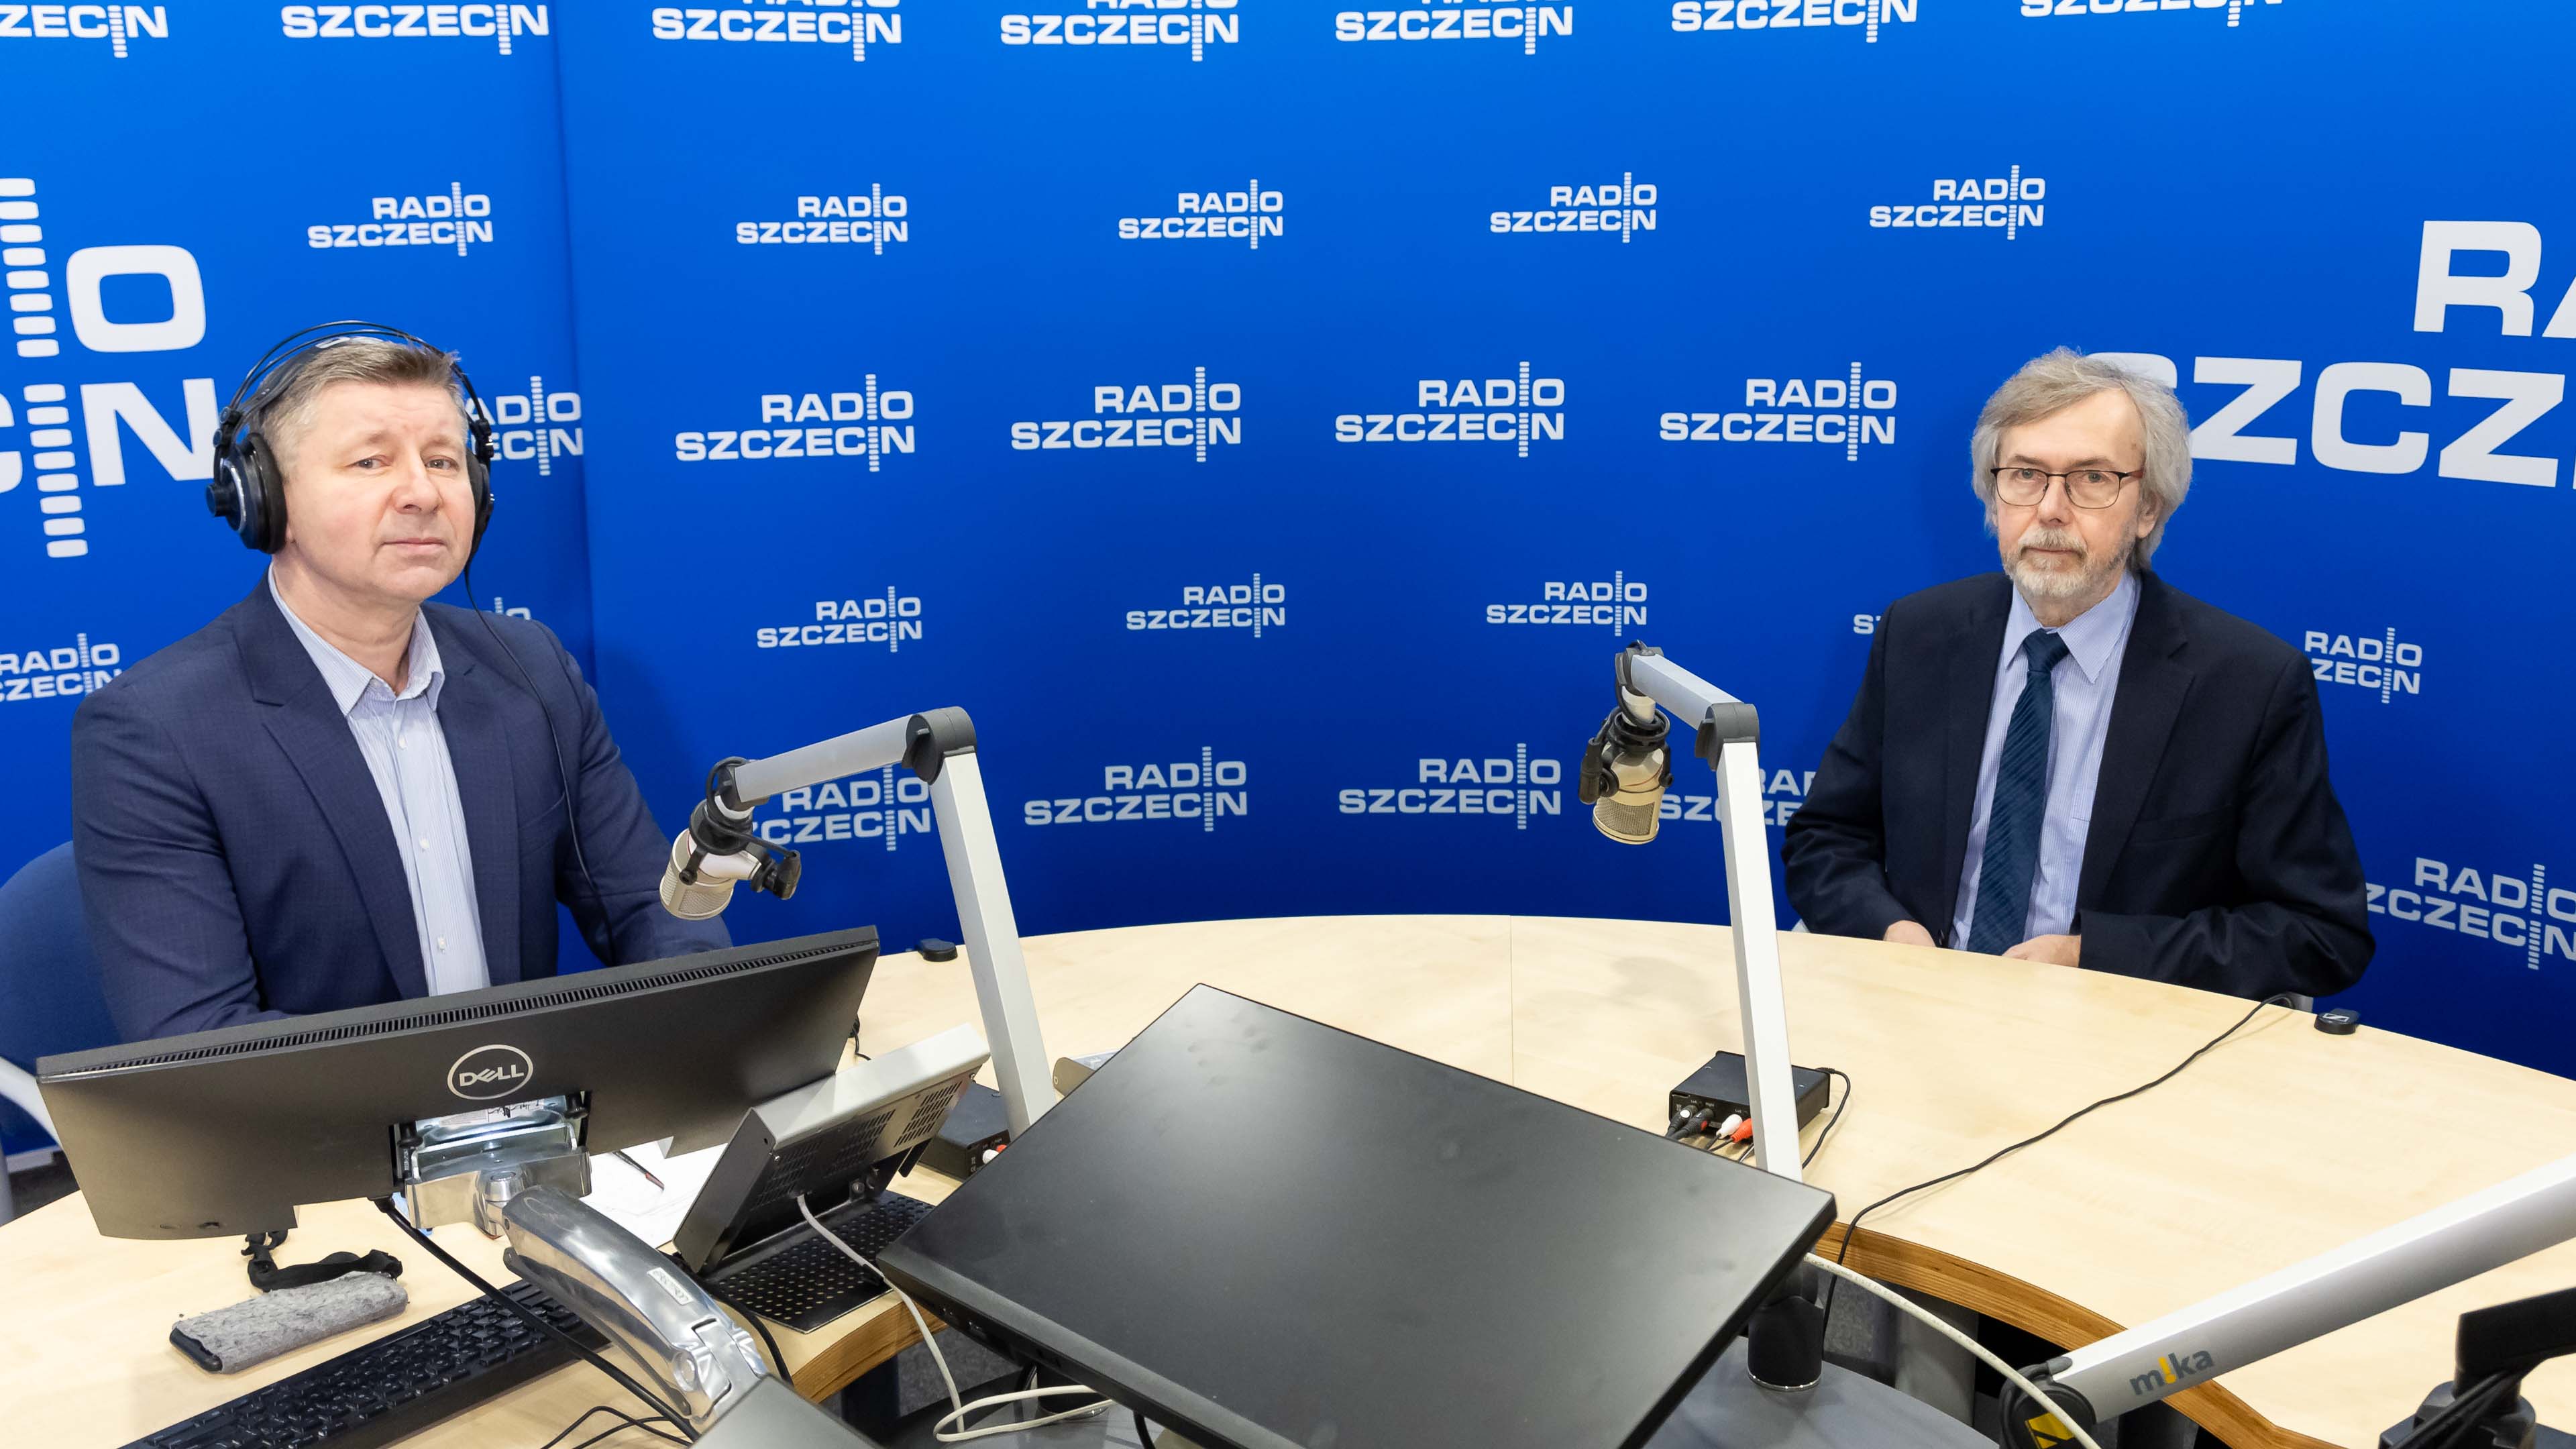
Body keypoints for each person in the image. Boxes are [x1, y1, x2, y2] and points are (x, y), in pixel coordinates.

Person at [71, 329, 728, 1041]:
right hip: (325, 1115)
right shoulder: (155, 730)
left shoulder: (531, 668)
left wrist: (691, 1036)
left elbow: (656, 910)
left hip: (540, 1099)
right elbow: (201, 1038)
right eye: (370, 461)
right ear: (265, 500)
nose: (422, 493)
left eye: (443, 461)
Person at [1782, 347, 2371, 1000]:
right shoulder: (1919, 633)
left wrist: (2093, 957)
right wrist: (1892, 933)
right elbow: (1826, 838)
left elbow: (2320, 932)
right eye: (2025, 475)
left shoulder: (2249, 683)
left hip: (2116, 1025)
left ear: (2148, 508)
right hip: (1913, 1002)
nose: (2051, 509)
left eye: (2092, 478)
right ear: (1994, 495)